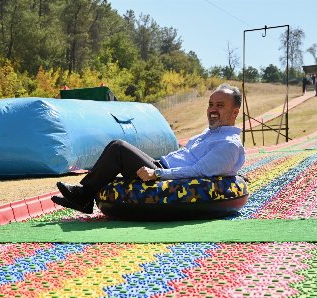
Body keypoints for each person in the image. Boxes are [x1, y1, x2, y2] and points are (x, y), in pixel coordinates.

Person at [52, 83, 245, 214]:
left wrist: (157, 173)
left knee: (119, 148)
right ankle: (85, 196)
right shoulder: (210, 133)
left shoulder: (228, 143)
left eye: (219, 105)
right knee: (115, 145)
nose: (212, 109)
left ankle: (84, 196)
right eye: (211, 104)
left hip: (163, 171)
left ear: (234, 112)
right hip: (161, 164)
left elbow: (199, 171)